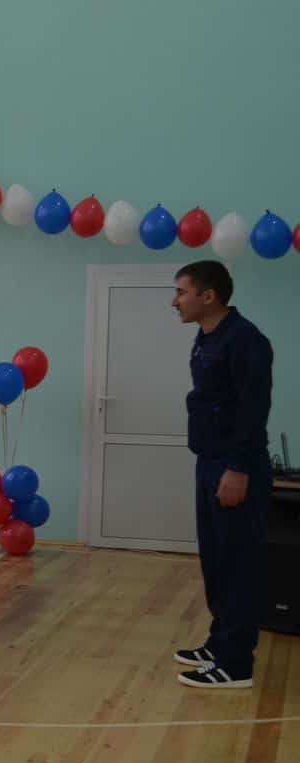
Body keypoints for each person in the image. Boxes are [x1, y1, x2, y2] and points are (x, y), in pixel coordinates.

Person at [171, 260, 273, 689]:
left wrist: (238, 468)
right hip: (210, 461)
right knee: (215, 560)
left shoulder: (245, 340)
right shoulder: (206, 337)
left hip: (235, 465)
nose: (175, 301)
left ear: (208, 296)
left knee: (237, 563)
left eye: (181, 292)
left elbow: (252, 410)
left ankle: (236, 663)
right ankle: (219, 643)